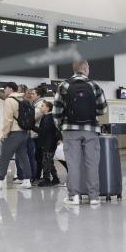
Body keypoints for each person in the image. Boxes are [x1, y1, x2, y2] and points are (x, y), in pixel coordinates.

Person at [53, 60, 108, 206]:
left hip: (70, 131)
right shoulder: (94, 85)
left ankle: (74, 197)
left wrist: (61, 127)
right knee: (92, 163)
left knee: (73, 164)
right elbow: (103, 109)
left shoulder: (64, 85)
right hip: (91, 130)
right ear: (85, 68)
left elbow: (57, 111)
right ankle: (94, 197)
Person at [0, 82, 32, 190]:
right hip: (24, 132)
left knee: (4, 156)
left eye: (5, 89)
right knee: (23, 156)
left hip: (14, 133)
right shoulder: (24, 99)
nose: (4, 91)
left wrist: (5, 134)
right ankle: (27, 180)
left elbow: (8, 120)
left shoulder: (9, 100)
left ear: (10, 89)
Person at [32, 101, 61, 187]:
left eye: (43, 106)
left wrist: (32, 127)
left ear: (48, 108)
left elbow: (44, 131)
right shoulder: (47, 117)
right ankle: (55, 178)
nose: (41, 107)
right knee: (49, 161)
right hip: (48, 142)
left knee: (46, 161)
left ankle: (47, 179)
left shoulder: (49, 118)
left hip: (49, 142)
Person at [31, 86, 46, 181]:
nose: (31, 95)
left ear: (38, 95)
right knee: (38, 156)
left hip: (38, 134)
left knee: (39, 156)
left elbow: (32, 117)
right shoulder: (35, 104)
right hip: (35, 134)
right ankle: (37, 175)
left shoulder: (41, 105)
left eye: (33, 93)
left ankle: (38, 176)